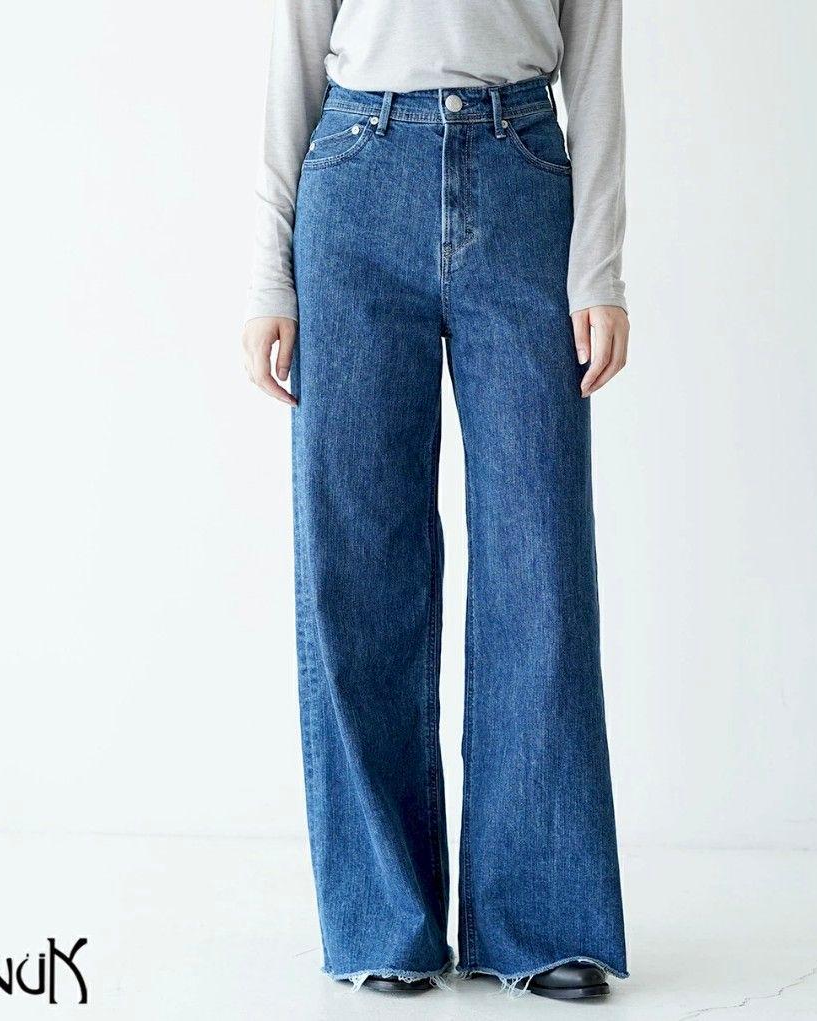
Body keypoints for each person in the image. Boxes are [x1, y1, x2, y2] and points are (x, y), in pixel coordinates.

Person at [242, 0, 630, 1001]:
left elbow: (594, 64)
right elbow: (293, 60)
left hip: (522, 175)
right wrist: (267, 279)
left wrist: (599, 267)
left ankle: (540, 918)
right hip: (355, 177)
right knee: (358, 563)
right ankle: (382, 919)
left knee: (539, 559)